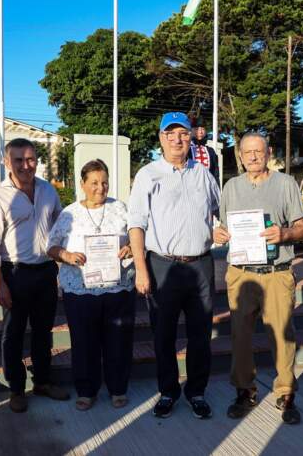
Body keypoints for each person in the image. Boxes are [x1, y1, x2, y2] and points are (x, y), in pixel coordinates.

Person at [128, 111, 221, 419]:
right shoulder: (148, 174)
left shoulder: (204, 175)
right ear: (161, 138)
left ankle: (196, 391)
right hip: (162, 267)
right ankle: (168, 391)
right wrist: (141, 269)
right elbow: (136, 225)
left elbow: (219, 212)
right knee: (163, 335)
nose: (178, 139)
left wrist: (222, 228)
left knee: (200, 334)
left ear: (192, 136)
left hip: (200, 265)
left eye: (183, 133)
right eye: (171, 134)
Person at [212, 133, 303, 424]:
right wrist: (218, 234)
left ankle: (286, 392)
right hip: (241, 274)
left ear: (268, 153)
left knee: (281, 335)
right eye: (247, 152)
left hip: (276, 272)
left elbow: (302, 227)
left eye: (258, 151)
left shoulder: (285, 184)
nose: (253, 157)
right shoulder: (230, 187)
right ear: (240, 156)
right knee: (240, 337)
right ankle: (245, 391)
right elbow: (224, 228)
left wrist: (286, 234)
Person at [0, 138, 69, 413]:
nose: (25, 165)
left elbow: (61, 224)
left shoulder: (47, 190)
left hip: (45, 271)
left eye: (30, 159)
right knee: (14, 333)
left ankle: (42, 381)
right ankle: (17, 388)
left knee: (43, 331)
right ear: (7, 162)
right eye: (18, 160)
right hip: (14, 272)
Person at [46, 159, 135, 411]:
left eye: (104, 182)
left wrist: (130, 246)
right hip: (80, 290)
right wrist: (66, 256)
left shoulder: (120, 208)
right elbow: (50, 246)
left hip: (118, 288)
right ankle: (86, 391)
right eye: (94, 182)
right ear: (82, 184)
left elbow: (138, 236)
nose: (100, 187)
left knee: (118, 341)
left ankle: (118, 388)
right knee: (84, 342)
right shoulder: (69, 214)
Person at [189, 116, 220, 185]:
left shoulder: (210, 151)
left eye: (202, 129)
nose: (200, 132)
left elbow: (215, 173)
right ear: (191, 130)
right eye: (197, 129)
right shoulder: (187, 150)